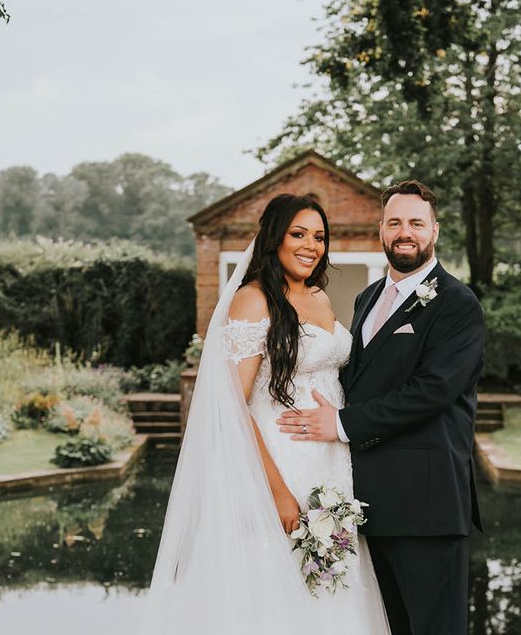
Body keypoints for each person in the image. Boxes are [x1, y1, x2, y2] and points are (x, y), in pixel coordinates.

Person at [140, 193, 390, 634]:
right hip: (274, 464)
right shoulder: (253, 301)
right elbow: (231, 409)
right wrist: (274, 490)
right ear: (274, 238)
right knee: (272, 594)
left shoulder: (320, 297)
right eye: (299, 234)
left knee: (333, 591)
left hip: (330, 465)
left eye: (319, 236)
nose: (311, 245)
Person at [277, 180, 484, 635]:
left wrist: (341, 424)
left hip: (426, 507)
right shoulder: (366, 298)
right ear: (381, 230)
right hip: (366, 505)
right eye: (395, 222)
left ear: (434, 230)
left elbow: (432, 392)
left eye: (415, 223)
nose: (404, 231)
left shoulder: (457, 304)